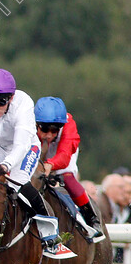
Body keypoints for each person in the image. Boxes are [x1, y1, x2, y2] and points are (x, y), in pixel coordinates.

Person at [0, 68, 74, 259]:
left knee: (17, 181)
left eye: (1, 102)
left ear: (11, 97)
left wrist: (6, 166)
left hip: (24, 147)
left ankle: (50, 235)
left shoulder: (23, 104)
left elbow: (20, 145)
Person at [33, 96, 104, 241]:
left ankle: (92, 218)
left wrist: (51, 165)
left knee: (68, 178)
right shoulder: (28, 124)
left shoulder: (69, 126)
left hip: (62, 153)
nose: (49, 135)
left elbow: (64, 156)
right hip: (36, 147)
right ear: (36, 124)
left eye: (55, 130)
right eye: (45, 129)